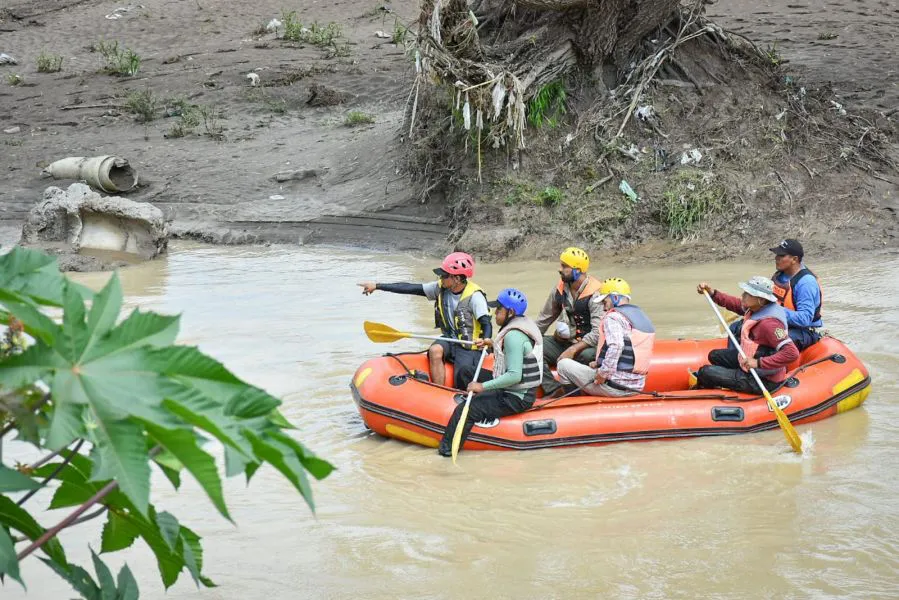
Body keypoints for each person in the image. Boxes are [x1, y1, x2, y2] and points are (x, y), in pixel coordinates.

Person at [357, 252, 490, 389]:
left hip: (468, 345)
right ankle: (439, 391)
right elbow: (411, 288)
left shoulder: (475, 296)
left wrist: (486, 338)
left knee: (461, 376)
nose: (441, 278)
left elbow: (486, 322)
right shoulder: (440, 287)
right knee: (434, 350)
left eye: (444, 275)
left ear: (456, 278)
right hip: (450, 339)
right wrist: (378, 286)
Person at [438, 288, 543, 457]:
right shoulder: (520, 324)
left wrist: (482, 386)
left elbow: (514, 376)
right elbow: (513, 354)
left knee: (465, 410)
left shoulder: (513, 336)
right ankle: (472, 398)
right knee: (466, 372)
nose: (495, 314)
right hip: (511, 386)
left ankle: (446, 451)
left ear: (511, 312)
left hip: (516, 396)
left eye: (499, 309)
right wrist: (491, 343)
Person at [695, 276, 799, 394]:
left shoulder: (769, 324)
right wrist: (712, 293)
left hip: (763, 379)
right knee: (714, 355)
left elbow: (792, 353)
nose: (743, 295)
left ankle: (707, 393)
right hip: (749, 363)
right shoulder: (756, 308)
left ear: (761, 299)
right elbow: (734, 303)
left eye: (748, 293)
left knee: (705, 372)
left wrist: (758, 363)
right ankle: (729, 380)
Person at [556, 278, 656, 397]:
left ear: (614, 298)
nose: (604, 308)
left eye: (605, 302)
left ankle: (575, 401)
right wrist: (599, 363)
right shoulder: (641, 317)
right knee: (591, 365)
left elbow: (617, 346)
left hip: (613, 387)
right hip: (637, 386)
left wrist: (603, 373)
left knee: (563, 365)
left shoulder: (613, 317)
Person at [726, 239, 823, 351]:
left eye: (781, 256)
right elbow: (763, 301)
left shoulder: (806, 283)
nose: (776, 258)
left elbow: (804, 319)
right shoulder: (779, 276)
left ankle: (758, 365)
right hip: (777, 322)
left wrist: (772, 311)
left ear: (794, 259)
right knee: (735, 328)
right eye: (777, 255)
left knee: (769, 340)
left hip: (801, 331)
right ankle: (735, 362)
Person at [534, 247, 604, 367]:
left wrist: (573, 350)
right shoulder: (559, 289)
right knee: (531, 346)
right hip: (565, 343)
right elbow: (543, 320)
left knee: (587, 356)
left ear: (577, 270)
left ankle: (576, 378)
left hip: (589, 346)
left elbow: (598, 333)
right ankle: (552, 385)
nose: (559, 269)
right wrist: (526, 336)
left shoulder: (596, 293)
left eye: (564, 266)